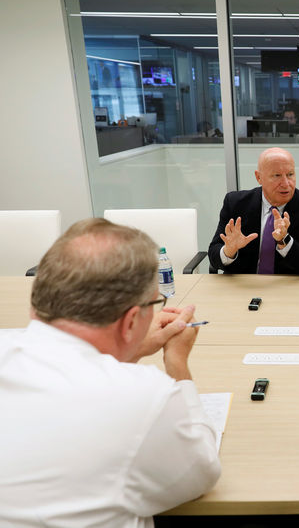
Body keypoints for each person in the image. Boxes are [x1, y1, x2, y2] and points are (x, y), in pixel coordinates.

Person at [0, 218, 220, 526]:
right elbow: (202, 469)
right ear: (131, 322)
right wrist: (177, 363)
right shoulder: (143, 395)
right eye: (155, 303)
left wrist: (133, 348)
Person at [208, 147, 299, 276]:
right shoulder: (235, 203)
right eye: (277, 176)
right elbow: (214, 257)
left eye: (290, 174)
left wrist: (284, 241)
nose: (286, 183)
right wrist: (229, 251)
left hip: (290, 287)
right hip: (244, 286)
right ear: (259, 177)